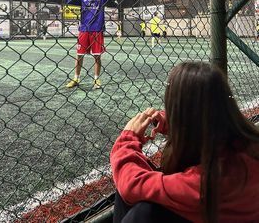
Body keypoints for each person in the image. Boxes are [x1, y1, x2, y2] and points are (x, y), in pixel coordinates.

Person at [111, 62, 259, 223]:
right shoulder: (248, 146)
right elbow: (210, 121)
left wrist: (128, 138)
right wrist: (169, 120)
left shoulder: (200, 183)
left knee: (143, 212)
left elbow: (131, 185)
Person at [66, 0, 116, 90]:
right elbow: (69, 0)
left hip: (97, 30)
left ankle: (96, 79)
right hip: (84, 30)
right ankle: (76, 78)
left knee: (97, 57)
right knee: (79, 56)